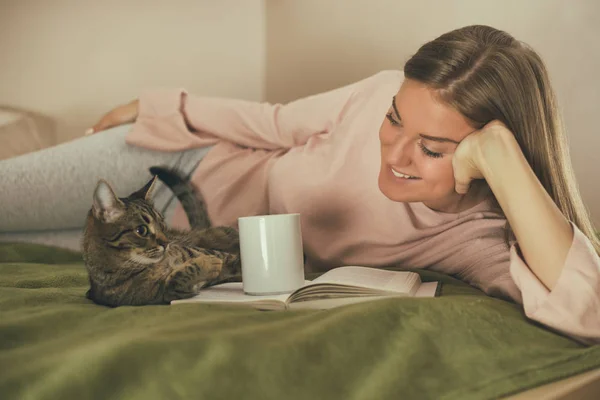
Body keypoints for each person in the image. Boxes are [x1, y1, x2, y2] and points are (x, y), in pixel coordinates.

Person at [1, 25, 598, 344]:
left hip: (166, 244)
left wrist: (502, 156)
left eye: (434, 148)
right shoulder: (375, 89)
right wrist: (160, 106)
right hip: (187, 160)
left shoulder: (477, 239)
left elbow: (588, 312)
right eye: (395, 118)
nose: (393, 151)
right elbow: (274, 123)